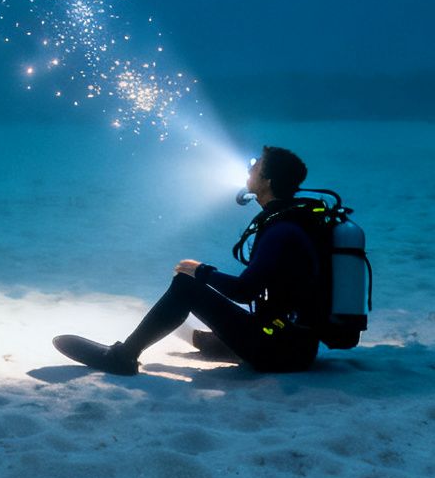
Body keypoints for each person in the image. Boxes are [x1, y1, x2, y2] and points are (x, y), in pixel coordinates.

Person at [52, 145, 323, 376]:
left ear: (267, 182)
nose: (249, 169)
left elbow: (245, 291)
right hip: (296, 345)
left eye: (256, 166)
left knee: (185, 285)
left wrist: (200, 271)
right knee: (199, 294)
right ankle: (217, 344)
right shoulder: (290, 221)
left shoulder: (281, 231)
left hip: (281, 353)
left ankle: (122, 357)